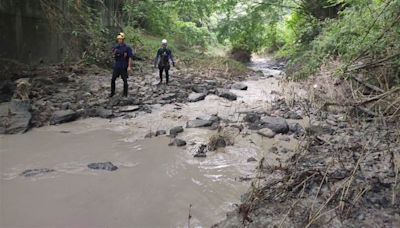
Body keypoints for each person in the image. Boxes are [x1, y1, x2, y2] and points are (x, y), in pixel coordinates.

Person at [110, 32, 134, 97]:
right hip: (117, 64)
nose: (119, 40)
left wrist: (129, 66)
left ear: (123, 39)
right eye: (118, 39)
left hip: (123, 65)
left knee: (125, 80)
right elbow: (113, 54)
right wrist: (115, 53)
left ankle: (125, 94)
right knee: (113, 79)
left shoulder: (127, 47)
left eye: (120, 39)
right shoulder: (116, 47)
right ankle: (112, 93)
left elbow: (130, 57)